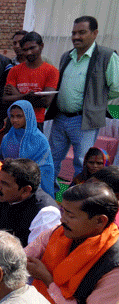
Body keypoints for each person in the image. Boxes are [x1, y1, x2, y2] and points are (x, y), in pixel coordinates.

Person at [26, 182, 119, 304]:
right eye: (62, 211)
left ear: (99, 221)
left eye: (70, 215)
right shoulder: (60, 232)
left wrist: (49, 282)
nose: (62, 219)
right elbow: (24, 256)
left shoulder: (114, 266)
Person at [46, 16, 119, 182]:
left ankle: (79, 201)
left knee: (82, 163)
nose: (76, 37)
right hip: (60, 118)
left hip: (84, 120)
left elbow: (116, 88)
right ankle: (50, 195)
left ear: (94, 33)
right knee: (52, 160)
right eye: (73, 33)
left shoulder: (106, 56)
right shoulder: (67, 56)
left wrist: (97, 102)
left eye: (82, 32)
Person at [3, 32, 59, 131]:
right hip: (13, 122)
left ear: (41, 46)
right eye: (25, 50)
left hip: (35, 122)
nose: (29, 53)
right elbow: (5, 99)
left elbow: (45, 102)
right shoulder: (14, 70)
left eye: (32, 48)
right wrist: (27, 97)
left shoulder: (51, 71)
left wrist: (17, 95)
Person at [0, 100, 55, 196]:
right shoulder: (7, 137)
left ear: (28, 117)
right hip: (9, 183)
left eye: (19, 116)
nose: (14, 120)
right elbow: (0, 160)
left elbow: (45, 168)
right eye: (12, 116)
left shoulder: (39, 139)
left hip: (31, 186)